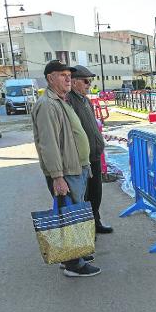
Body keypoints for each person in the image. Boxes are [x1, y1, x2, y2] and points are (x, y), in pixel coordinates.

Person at [31, 60, 101, 277]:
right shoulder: (47, 105)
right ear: (50, 78)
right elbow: (49, 144)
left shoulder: (61, 101)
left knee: (73, 214)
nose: (68, 78)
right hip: (66, 172)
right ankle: (73, 264)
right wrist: (57, 177)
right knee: (68, 215)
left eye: (69, 74)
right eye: (62, 75)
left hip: (75, 168)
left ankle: (74, 255)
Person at [66, 65, 113, 234]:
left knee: (96, 192)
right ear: (74, 82)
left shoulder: (86, 100)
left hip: (94, 154)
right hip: (81, 157)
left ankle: (96, 221)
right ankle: (86, 229)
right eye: (86, 81)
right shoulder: (69, 101)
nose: (88, 84)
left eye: (90, 81)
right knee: (83, 195)